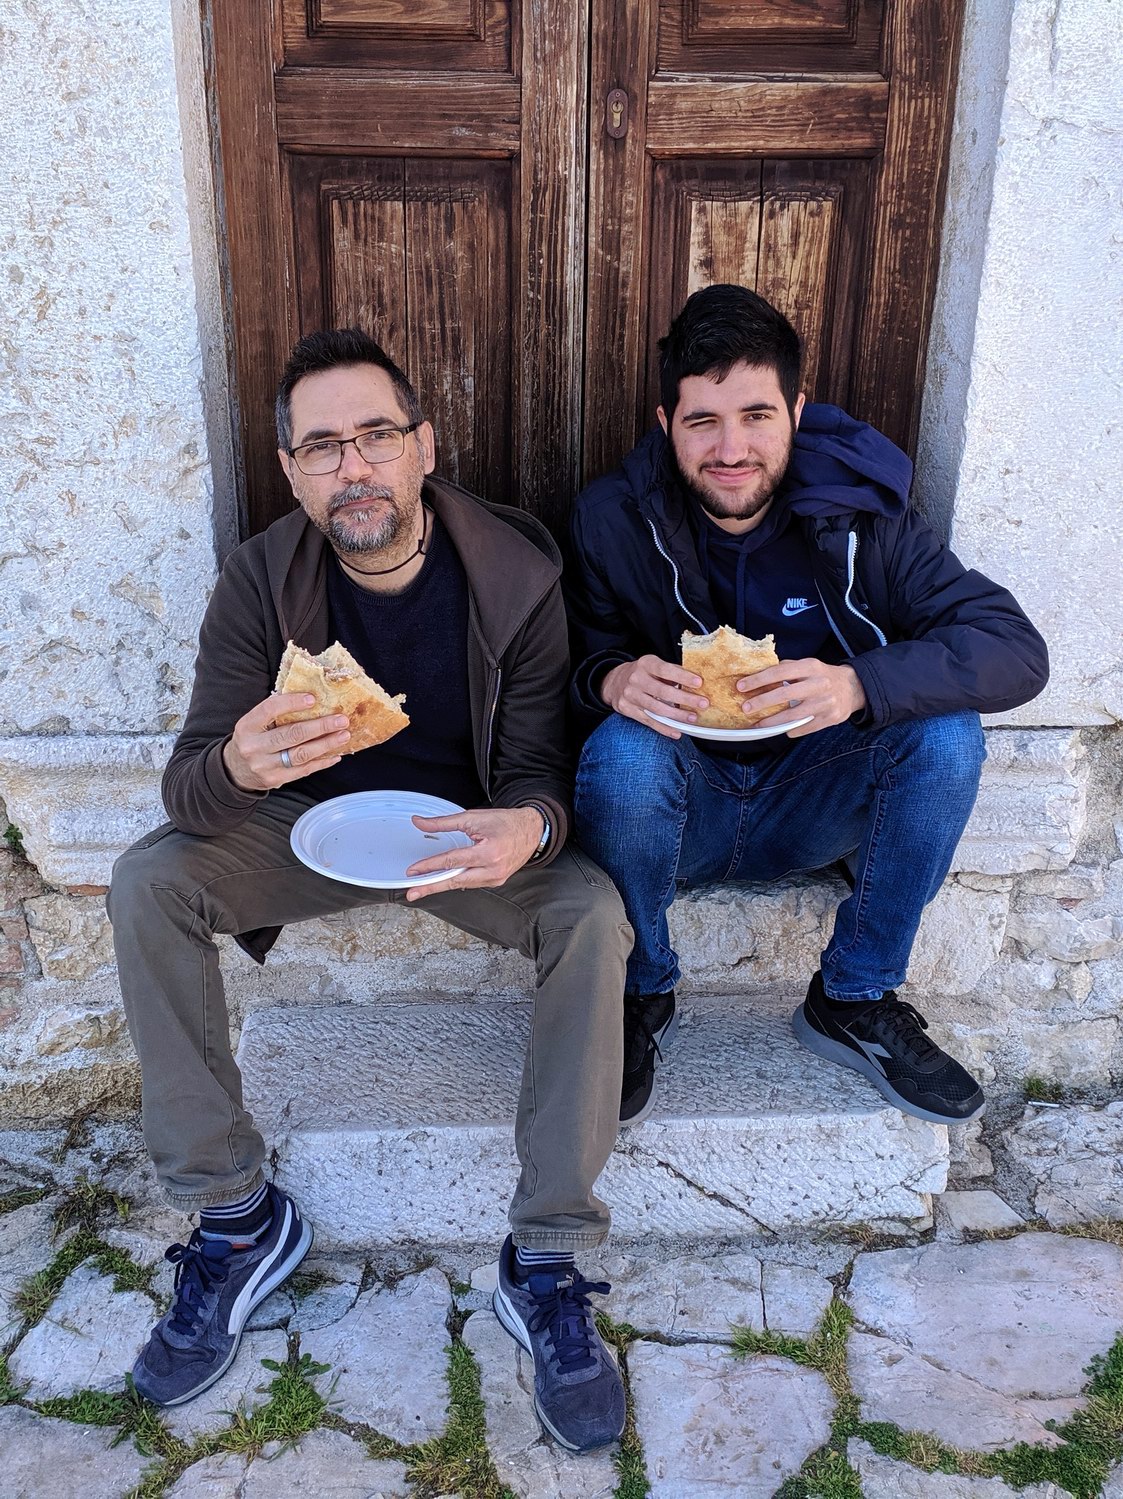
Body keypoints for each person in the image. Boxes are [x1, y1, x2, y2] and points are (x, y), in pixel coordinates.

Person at [107, 328, 629, 1452]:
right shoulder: (258, 581)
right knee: (149, 879)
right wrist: (237, 765)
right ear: (292, 469)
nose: (356, 467)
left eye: (377, 436)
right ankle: (237, 1217)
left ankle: (545, 1255)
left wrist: (531, 824)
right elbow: (192, 790)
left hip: (456, 829)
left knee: (590, 913)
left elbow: (540, 762)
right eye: (325, 446)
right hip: (306, 834)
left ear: (423, 447)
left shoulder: (517, 572)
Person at [566, 284, 1048, 1127]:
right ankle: (639, 992)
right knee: (621, 748)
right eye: (701, 421)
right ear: (662, 421)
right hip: (681, 811)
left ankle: (854, 996)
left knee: (943, 734)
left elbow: (1014, 648)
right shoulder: (612, 518)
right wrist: (607, 678)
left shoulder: (862, 516)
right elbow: (554, 658)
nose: (730, 449)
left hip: (817, 795)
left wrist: (860, 683)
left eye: (756, 415)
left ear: (796, 406)